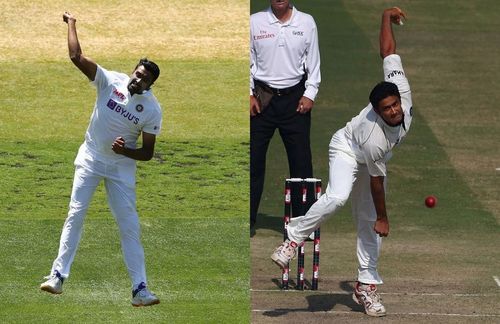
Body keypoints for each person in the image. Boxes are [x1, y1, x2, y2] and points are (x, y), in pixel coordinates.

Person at [271, 7, 410, 317]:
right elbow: (376, 182)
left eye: (395, 105)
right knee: (337, 198)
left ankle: (366, 286)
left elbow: (388, 52)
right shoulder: (374, 135)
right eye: (386, 108)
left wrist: (385, 16)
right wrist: (384, 217)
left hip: (372, 161)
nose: (394, 111)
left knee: (367, 225)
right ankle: (293, 239)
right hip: (348, 148)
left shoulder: (402, 94)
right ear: (375, 110)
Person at [40, 12, 162, 307]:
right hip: (91, 158)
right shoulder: (110, 81)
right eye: (138, 72)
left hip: (121, 168)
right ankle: (57, 276)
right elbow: (75, 56)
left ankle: (140, 290)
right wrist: (72, 24)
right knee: (75, 213)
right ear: (132, 70)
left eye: (144, 78)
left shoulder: (152, 110)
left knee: (129, 225)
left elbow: (147, 153)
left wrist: (125, 152)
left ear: (150, 85)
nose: (138, 78)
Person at [250, 0, 321, 228]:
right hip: (262, 99)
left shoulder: (307, 22)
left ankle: (303, 223)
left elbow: (313, 63)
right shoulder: (254, 22)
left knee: (301, 163)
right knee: (253, 161)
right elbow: (247, 61)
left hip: (294, 99)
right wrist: (248, 93)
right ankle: (248, 220)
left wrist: (310, 93)